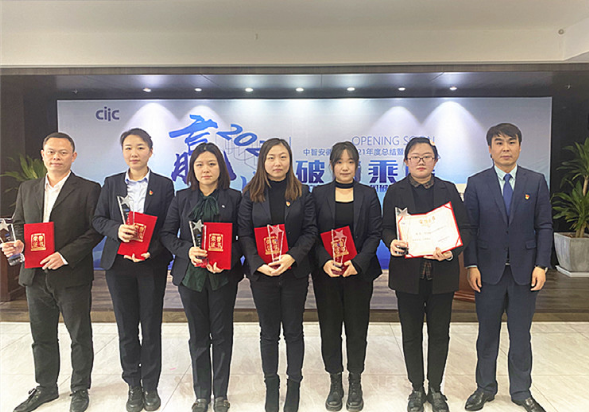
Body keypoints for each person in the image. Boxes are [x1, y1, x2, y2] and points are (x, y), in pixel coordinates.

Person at [2, 132, 103, 412]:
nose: (56, 157)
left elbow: (94, 230)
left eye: (62, 152)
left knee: (79, 335)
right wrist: (19, 243)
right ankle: (46, 387)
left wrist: (65, 255)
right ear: (43, 154)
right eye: (51, 152)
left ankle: (80, 389)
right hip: (35, 275)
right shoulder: (28, 188)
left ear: (73, 156)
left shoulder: (88, 189)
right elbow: (19, 223)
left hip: (71, 274)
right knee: (42, 335)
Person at [463, 123, 552, 412]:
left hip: (525, 272)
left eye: (511, 142)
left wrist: (542, 265)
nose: (505, 148)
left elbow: (544, 226)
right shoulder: (477, 183)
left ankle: (521, 391)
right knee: (487, 334)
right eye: (499, 143)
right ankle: (485, 388)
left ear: (520, 147)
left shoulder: (535, 181)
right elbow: (470, 228)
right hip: (487, 272)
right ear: (490, 149)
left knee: (521, 335)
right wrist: (471, 265)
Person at [382, 137, 471, 412]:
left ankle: (435, 388)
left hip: (441, 274)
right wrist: (391, 242)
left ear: (435, 161)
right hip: (408, 276)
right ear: (406, 161)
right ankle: (417, 388)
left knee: (440, 334)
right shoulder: (395, 191)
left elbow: (465, 228)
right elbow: (385, 228)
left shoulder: (448, 190)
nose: (421, 161)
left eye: (426, 156)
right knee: (411, 335)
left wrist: (452, 251)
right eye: (415, 157)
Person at [93, 128, 174, 412]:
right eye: (128, 147)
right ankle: (133, 384)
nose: (134, 153)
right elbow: (98, 220)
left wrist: (152, 250)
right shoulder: (111, 183)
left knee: (150, 326)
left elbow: (168, 226)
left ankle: (150, 385)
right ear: (123, 152)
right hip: (119, 265)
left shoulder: (164, 185)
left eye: (140, 147)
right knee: (126, 327)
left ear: (150, 151)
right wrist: (117, 229)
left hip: (150, 263)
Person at [160, 142, 243, 412]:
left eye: (211, 164)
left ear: (221, 167)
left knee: (222, 335)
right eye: (199, 164)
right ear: (192, 169)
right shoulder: (181, 198)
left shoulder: (235, 198)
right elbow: (166, 234)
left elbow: (244, 238)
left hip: (223, 277)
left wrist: (227, 257)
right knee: (197, 336)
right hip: (190, 277)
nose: (205, 169)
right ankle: (202, 394)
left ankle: (221, 394)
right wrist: (187, 250)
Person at [238, 138, 317, 412]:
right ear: (263, 161)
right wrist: (257, 263)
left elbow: (310, 231)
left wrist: (292, 256)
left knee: (294, 331)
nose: (277, 163)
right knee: (269, 333)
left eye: (283, 157)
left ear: (290, 160)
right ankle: (271, 386)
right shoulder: (250, 194)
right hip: (263, 275)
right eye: (271, 157)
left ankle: (294, 385)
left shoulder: (303, 192)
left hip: (294, 272)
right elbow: (244, 233)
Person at [311, 141, 382, 412]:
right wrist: (324, 261)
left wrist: (358, 262)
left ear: (357, 165)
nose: (345, 167)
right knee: (329, 329)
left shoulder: (368, 194)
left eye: (350, 162)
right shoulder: (318, 194)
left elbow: (375, 234)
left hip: (358, 274)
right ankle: (335, 381)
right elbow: (311, 232)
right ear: (331, 165)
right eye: (339, 162)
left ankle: (355, 380)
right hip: (327, 274)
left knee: (356, 329)